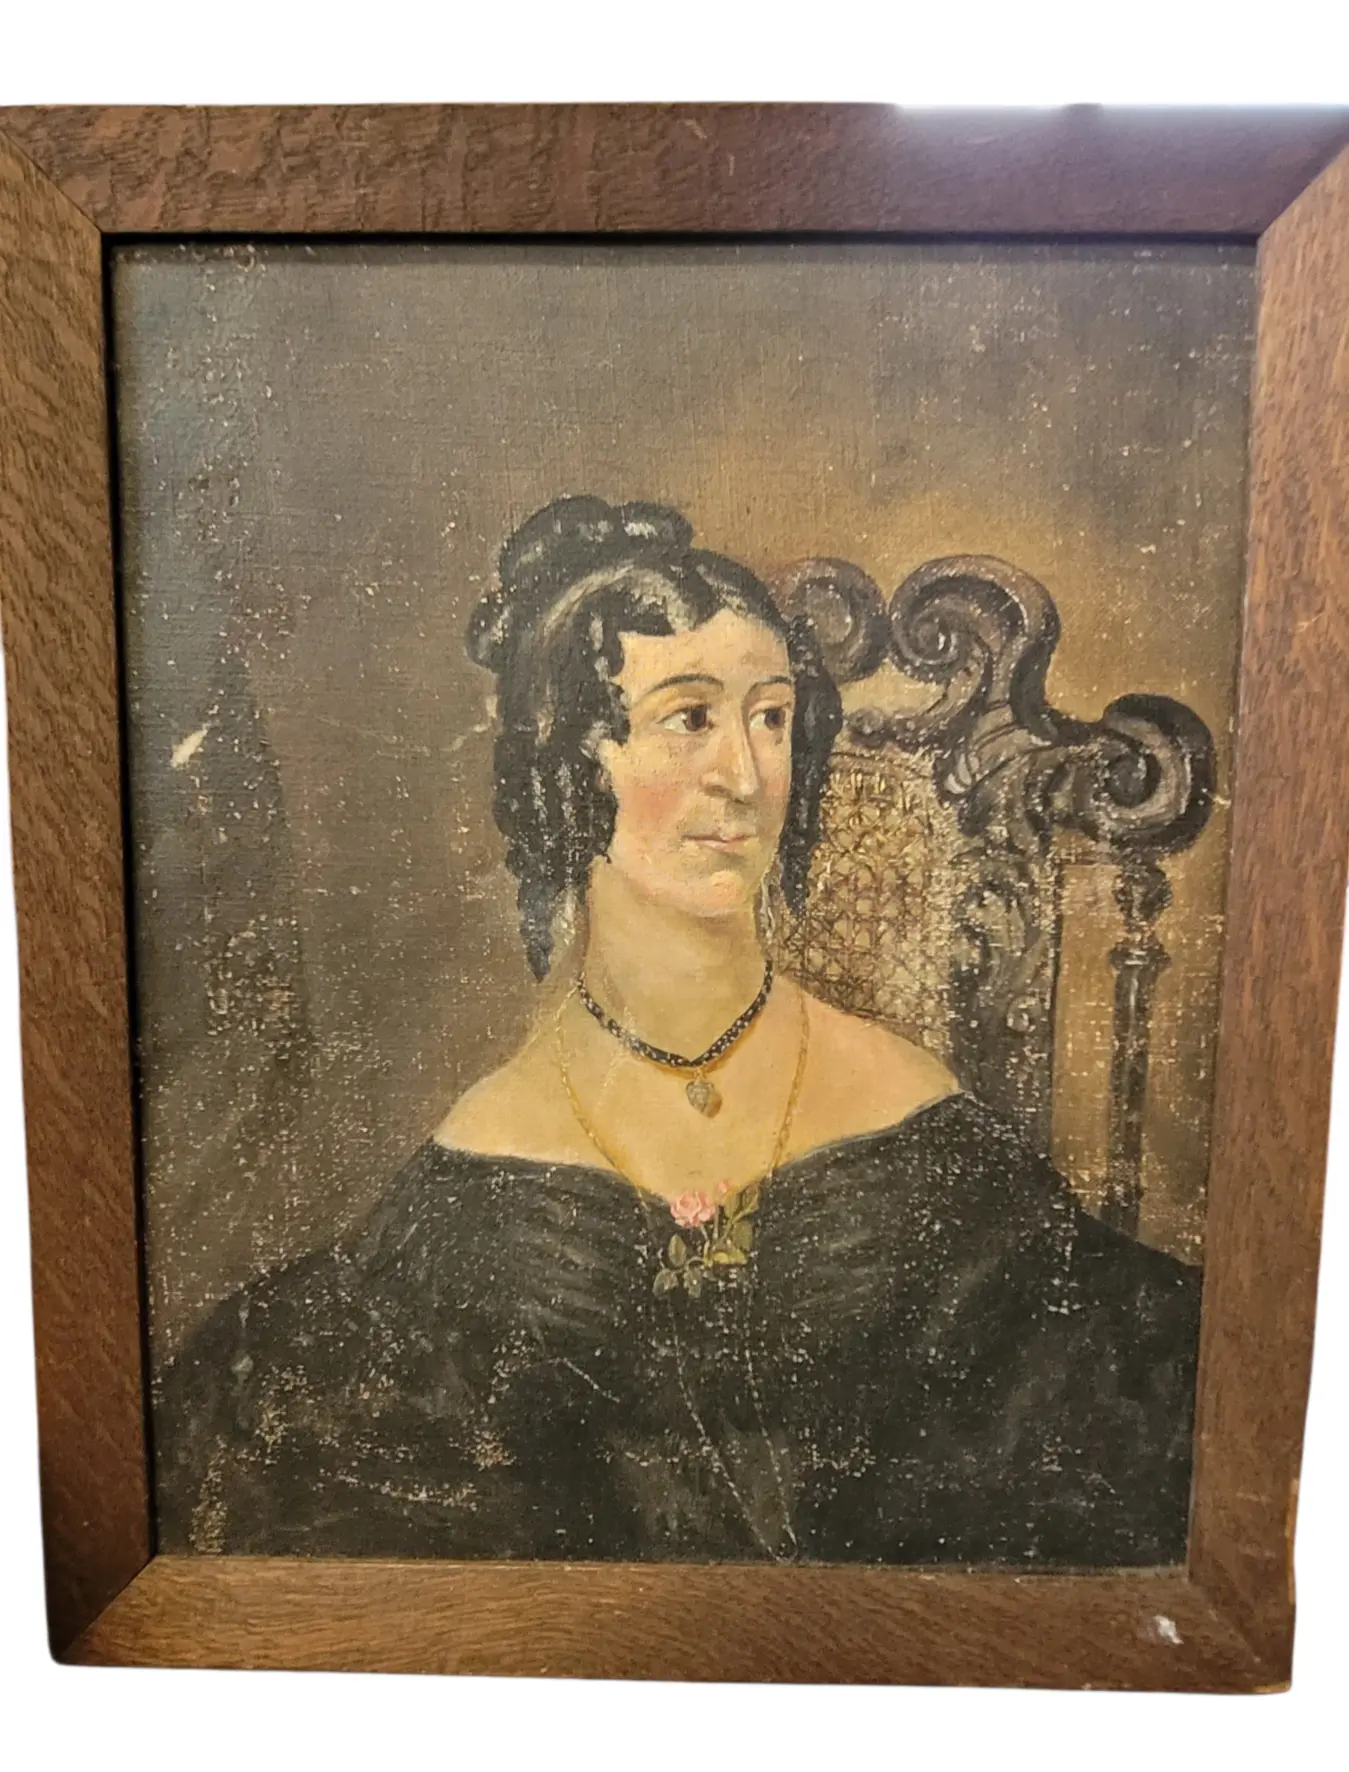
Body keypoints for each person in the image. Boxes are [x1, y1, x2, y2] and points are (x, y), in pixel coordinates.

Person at [157, 496, 1199, 1566]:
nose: (744, 776)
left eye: (770, 718)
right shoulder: (480, 1155)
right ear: (576, 761)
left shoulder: (912, 1112)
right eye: (689, 717)